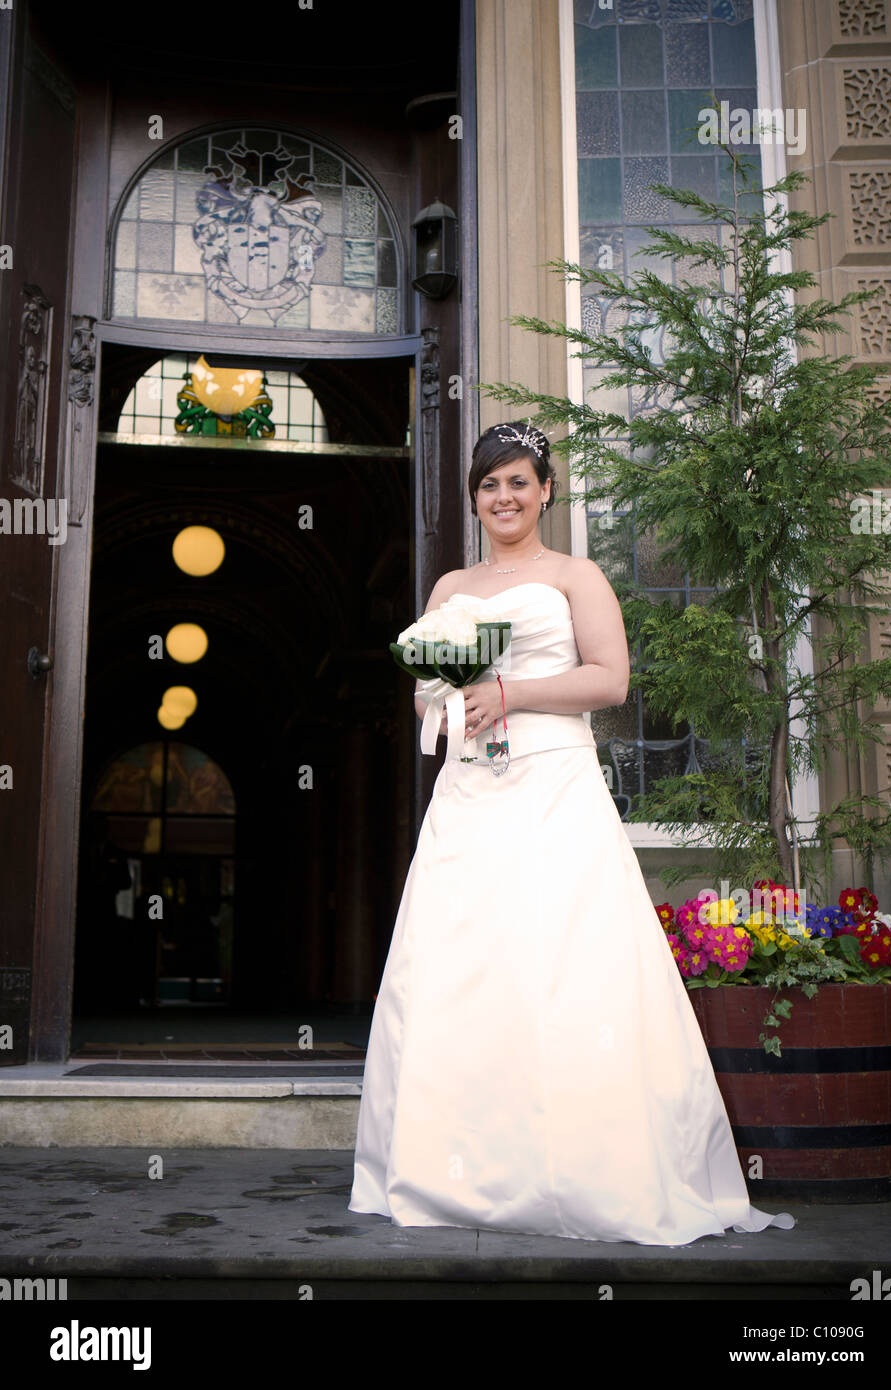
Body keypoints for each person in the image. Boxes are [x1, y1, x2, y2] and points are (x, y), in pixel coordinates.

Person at [348, 421, 796, 1246]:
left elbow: (611, 679)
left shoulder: (575, 576)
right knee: (461, 960)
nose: (504, 497)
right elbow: (421, 695)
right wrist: (449, 697)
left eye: (519, 482)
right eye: (489, 485)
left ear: (546, 489)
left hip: (554, 784)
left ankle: (587, 1169)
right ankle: (453, 1166)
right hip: (471, 793)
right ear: (475, 498)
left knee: (562, 957)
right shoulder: (450, 587)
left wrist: (510, 693)